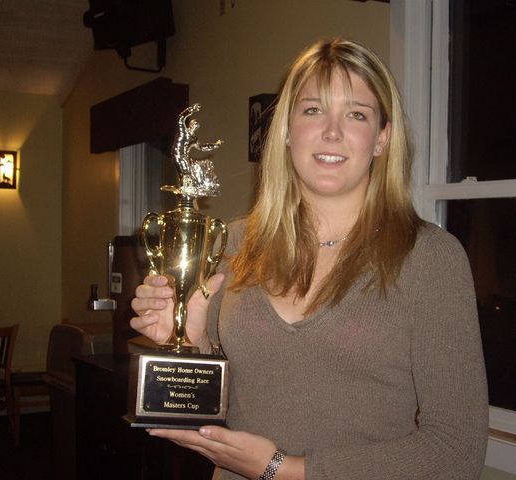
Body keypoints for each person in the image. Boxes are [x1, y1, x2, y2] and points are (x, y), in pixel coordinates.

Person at [131, 38, 488, 480]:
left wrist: (282, 470)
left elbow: (456, 450)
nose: (332, 132)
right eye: (313, 110)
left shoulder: (430, 258)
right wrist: (190, 341)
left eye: (356, 114)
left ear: (382, 138)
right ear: (286, 130)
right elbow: (233, 400)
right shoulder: (234, 242)